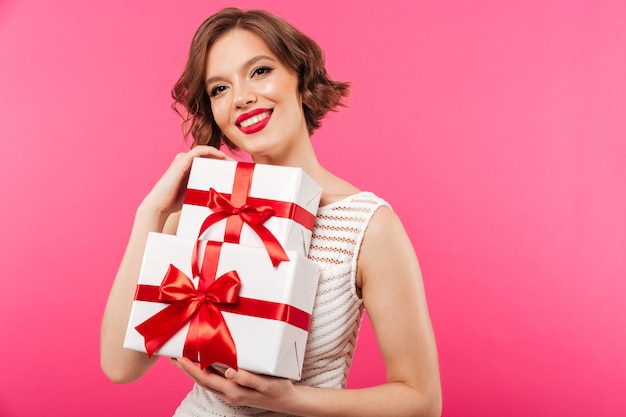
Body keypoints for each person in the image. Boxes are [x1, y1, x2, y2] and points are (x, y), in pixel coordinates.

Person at [101, 7, 441, 417]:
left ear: (299, 76)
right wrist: (150, 212)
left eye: (259, 71)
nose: (241, 96)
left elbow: (422, 402)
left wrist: (291, 400)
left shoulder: (368, 226)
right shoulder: (203, 211)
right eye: (219, 89)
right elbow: (121, 366)